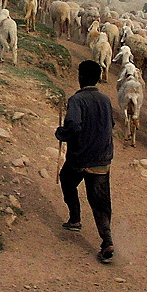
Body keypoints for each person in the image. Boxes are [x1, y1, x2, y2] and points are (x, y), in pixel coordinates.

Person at [55, 60, 115, 264]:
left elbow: (73, 125)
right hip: (102, 160)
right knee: (100, 202)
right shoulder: (106, 100)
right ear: (98, 78)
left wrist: (61, 133)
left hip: (79, 158)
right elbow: (111, 125)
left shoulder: (76, 100)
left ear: (80, 77)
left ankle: (75, 218)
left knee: (66, 180)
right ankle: (107, 242)